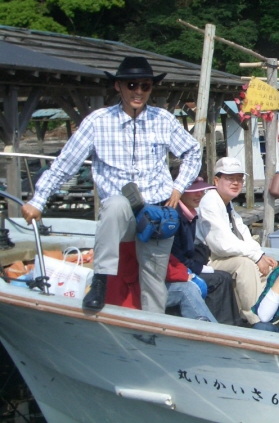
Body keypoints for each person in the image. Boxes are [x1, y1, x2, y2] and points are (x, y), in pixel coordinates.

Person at [21, 56, 201, 313]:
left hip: (157, 212)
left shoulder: (163, 119)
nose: (138, 91)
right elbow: (65, 164)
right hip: (121, 215)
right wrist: (38, 200)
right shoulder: (97, 121)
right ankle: (100, 280)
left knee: (154, 285)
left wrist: (179, 186)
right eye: (131, 85)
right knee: (116, 204)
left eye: (145, 86)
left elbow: (193, 150)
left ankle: (153, 329)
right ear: (118, 86)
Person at [196, 157, 277, 324]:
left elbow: (243, 233)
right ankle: (256, 319)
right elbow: (222, 245)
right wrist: (256, 257)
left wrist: (260, 255)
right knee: (245, 265)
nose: (236, 183)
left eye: (239, 179)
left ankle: (267, 313)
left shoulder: (227, 204)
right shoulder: (210, 202)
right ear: (216, 180)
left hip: (223, 257)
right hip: (207, 260)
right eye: (230, 178)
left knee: (267, 268)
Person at [171, 177, 244, 326]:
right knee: (218, 279)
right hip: (178, 270)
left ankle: (232, 324)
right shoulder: (174, 217)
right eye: (193, 191)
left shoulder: (189, 215)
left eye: (201, 190)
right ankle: (221, 327)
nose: (199, 194)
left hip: (188, 264)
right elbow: (176, 256)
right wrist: (201, 268)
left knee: (223, 277)